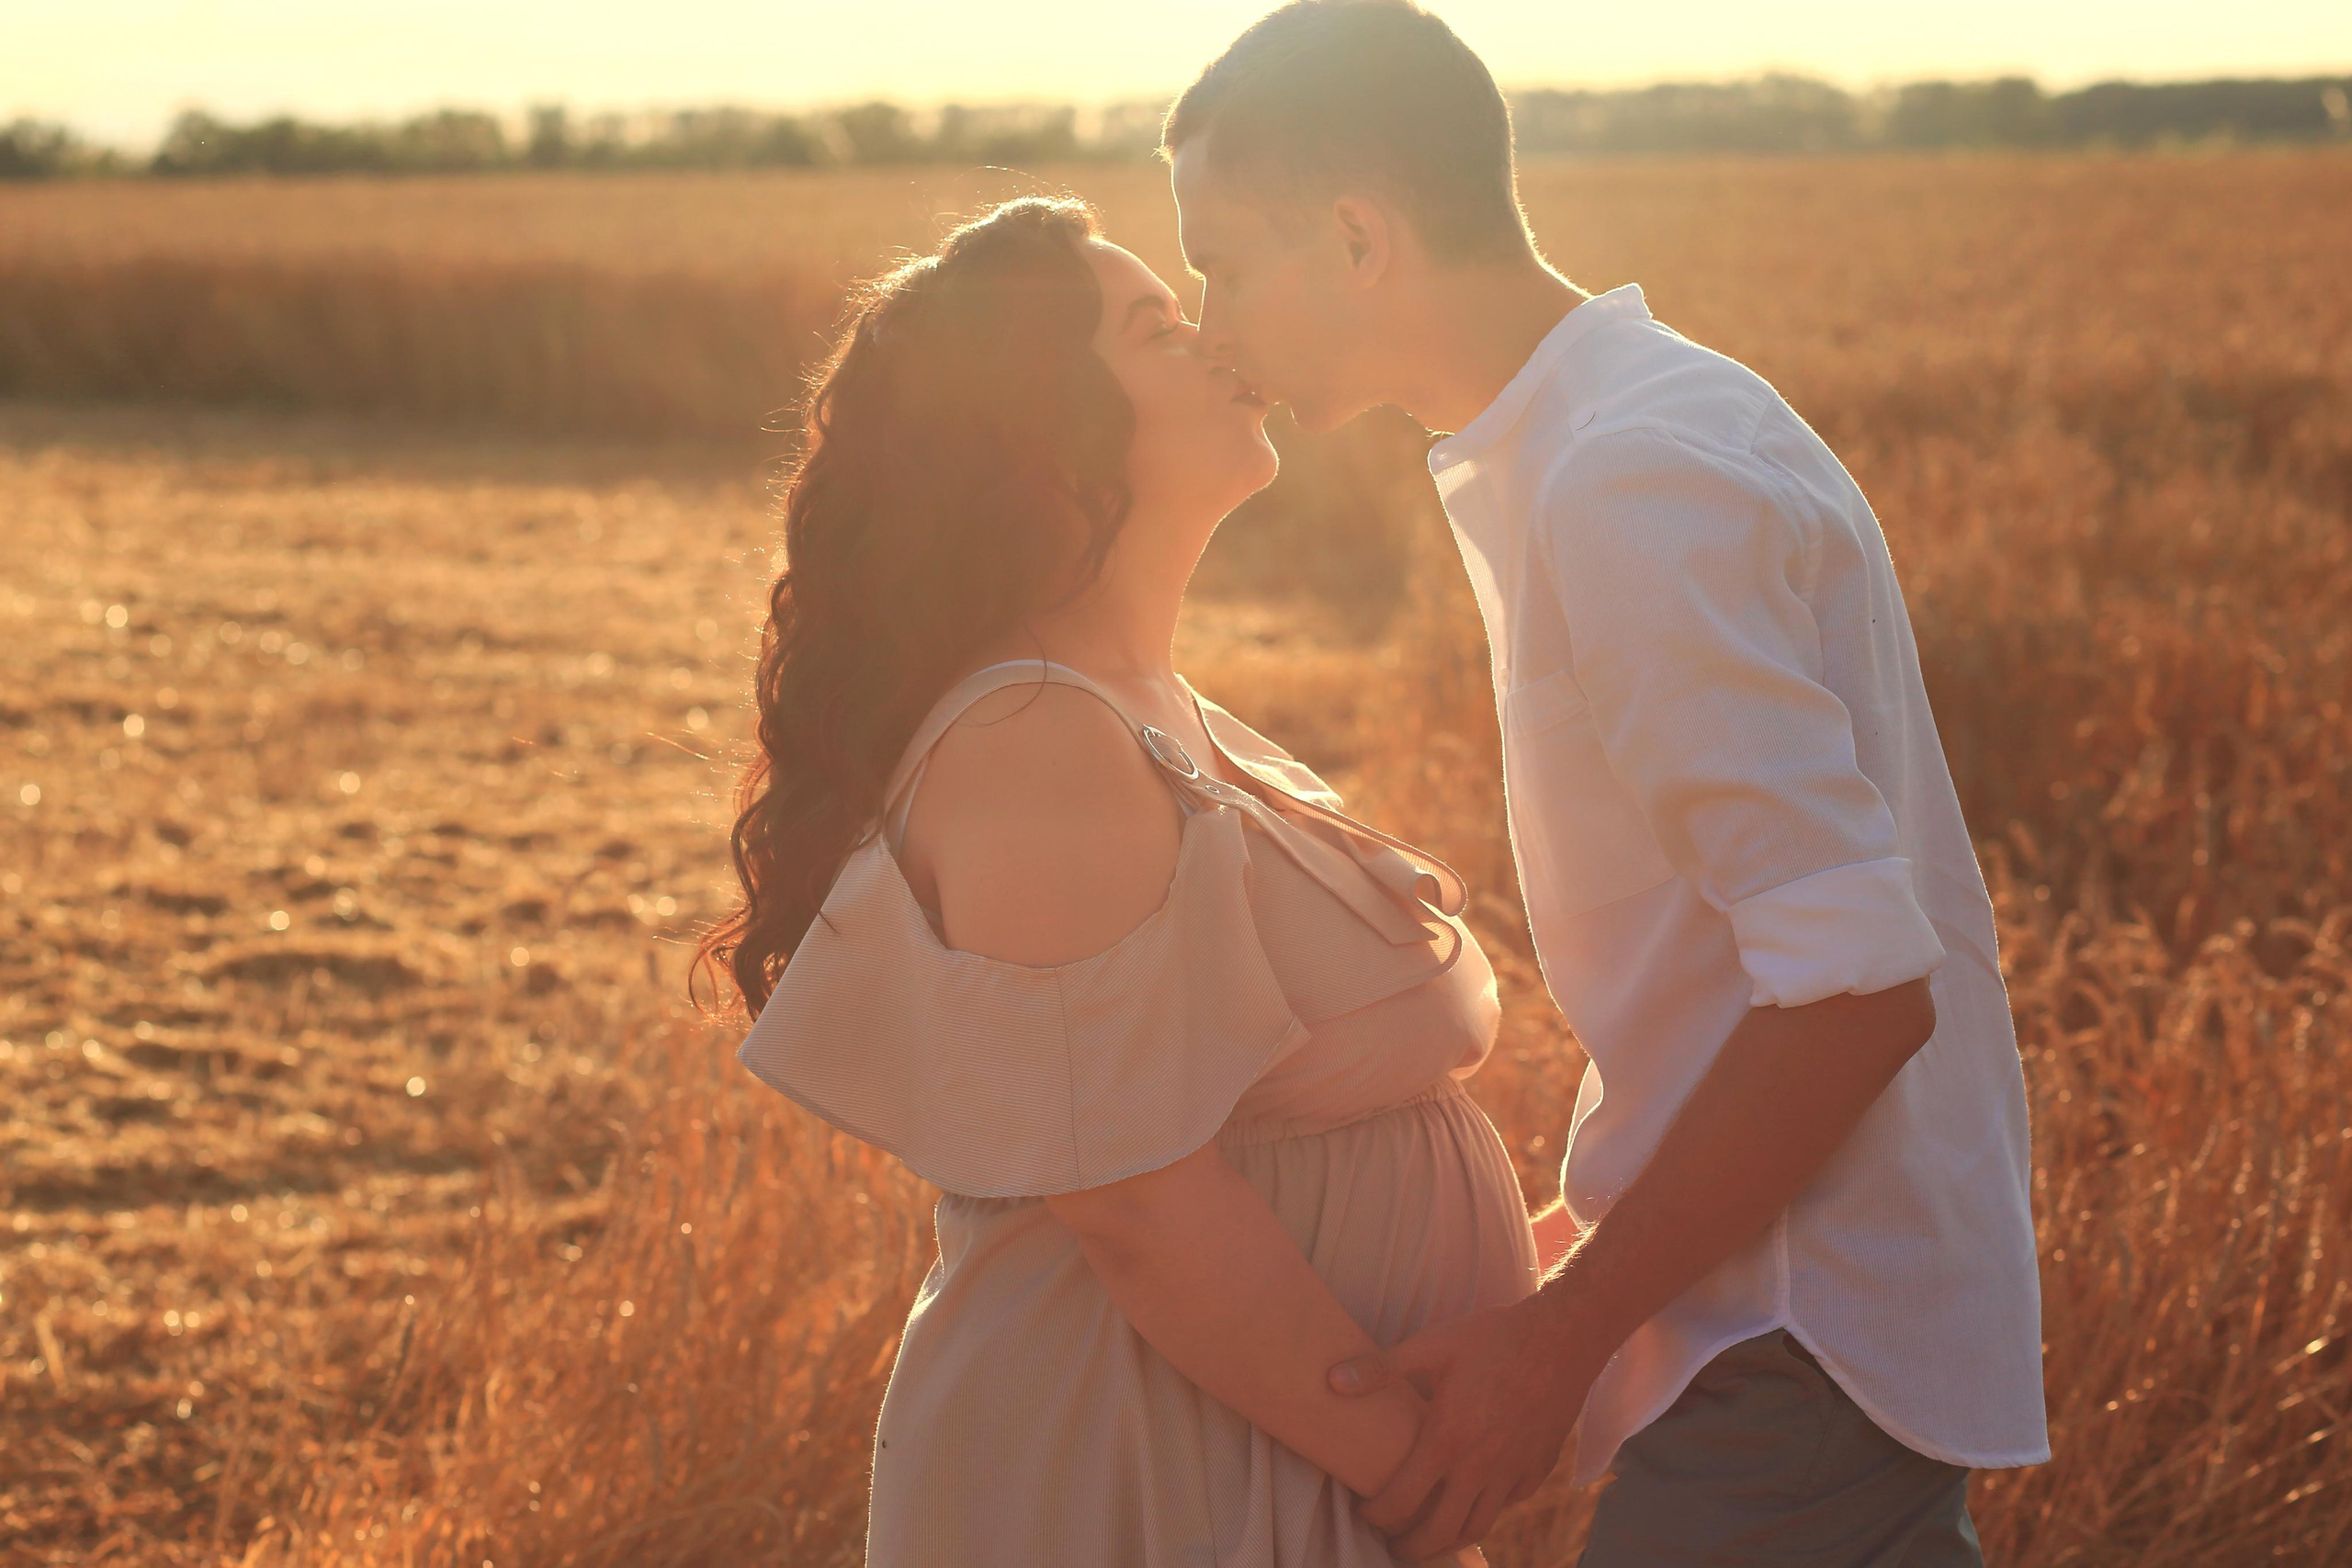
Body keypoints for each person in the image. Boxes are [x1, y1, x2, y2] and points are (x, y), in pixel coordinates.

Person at [1162, 3, 2050, 1563]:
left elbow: (1854, 995)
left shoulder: (1628, 478)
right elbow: (1734, 970)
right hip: (1787, 1318)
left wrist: (1559, 1337)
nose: (1206, 313)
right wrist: (1557, 1260)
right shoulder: (1630, 417)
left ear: (1360, 236)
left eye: (1222, 259)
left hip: (1798, 1336)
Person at [703, 195, 1539, 1566]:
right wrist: (1420, 1472)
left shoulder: (1150, 702)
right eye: (1157, 324)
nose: (1216, 336)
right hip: (1143, 1472)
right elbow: (1140, 1207)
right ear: (1043, 431)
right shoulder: (1035, 737)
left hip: (1266, 1456)